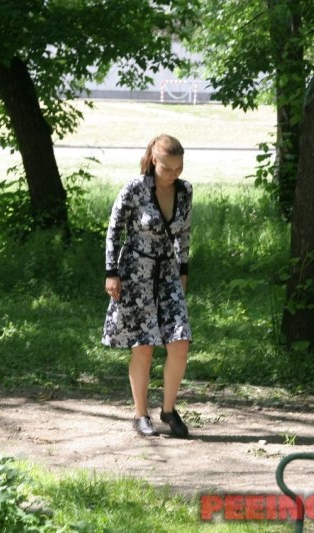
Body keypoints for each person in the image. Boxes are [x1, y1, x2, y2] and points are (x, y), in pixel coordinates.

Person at [102, 134, 193, 438]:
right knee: (143, 346)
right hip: (135, 272)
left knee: (180, 341)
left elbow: (184, 234)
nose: (174, 174)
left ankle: (168, 410)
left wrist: (183, 270)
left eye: (179, 168)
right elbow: (114, 230)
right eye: (168, 168)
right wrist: (111, 272)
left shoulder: (185, 191)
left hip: (168, 273)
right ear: (154, 160)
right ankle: (141, 415)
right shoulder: (135, 189)